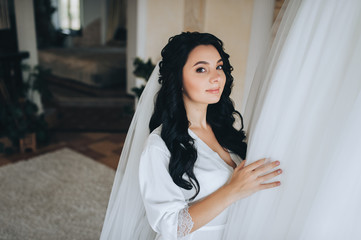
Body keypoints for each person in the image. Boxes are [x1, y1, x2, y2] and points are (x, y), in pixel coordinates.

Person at [137, 32, 282, 240]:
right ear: (178, 79)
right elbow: (170, 226)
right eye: (201, 69)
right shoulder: (159, 145)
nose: (216, 78)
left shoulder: (225, 132)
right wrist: (233, 190)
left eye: (219, 67)